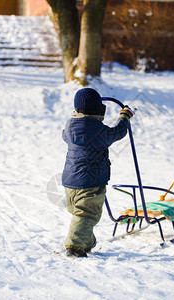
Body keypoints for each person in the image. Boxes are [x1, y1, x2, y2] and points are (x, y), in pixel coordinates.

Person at [62, 88, 135, 257]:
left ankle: (87, 242)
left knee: (79, 212)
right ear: (99, 110)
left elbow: (64, 136)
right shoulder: (99, 131)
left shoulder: (69, 128)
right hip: (91, 182)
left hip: (70, 180)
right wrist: (124, 117)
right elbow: (118, 132)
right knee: (87, 214)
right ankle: (74, 246)